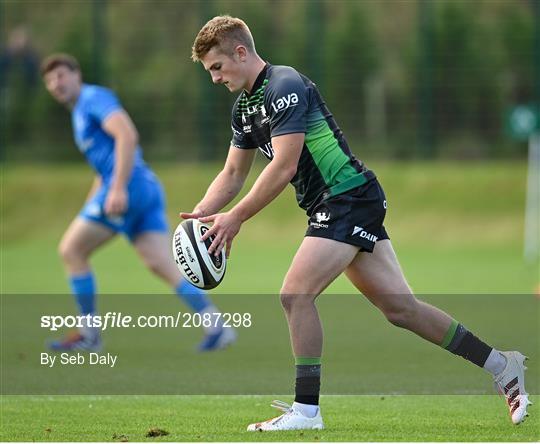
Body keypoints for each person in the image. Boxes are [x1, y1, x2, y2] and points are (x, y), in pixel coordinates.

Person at [184, 16, 531, 430]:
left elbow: (284, 165)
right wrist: (202, 217)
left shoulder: (284, 85)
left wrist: (236, 218)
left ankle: (306, 412)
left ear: (240, 52)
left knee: (295, 295)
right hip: (335, 204)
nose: (215, 79)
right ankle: (502, 365)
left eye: (217, 68)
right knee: (401, 309)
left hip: (347, 197)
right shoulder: (244, 110)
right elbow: (232, 175)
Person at [41, 53, 235, 352]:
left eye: (62, 75)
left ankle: (90, 334)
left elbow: (127, 135)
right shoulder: (79, 112)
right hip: (143, 188)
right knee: (160, 264)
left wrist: (117, 188)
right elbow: (102, 168)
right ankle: (216, 325)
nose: (56, 83)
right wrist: (102, 193)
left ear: (77, 75)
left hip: (130, 188)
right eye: (50, 80)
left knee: (71, 250)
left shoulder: (93, 98)